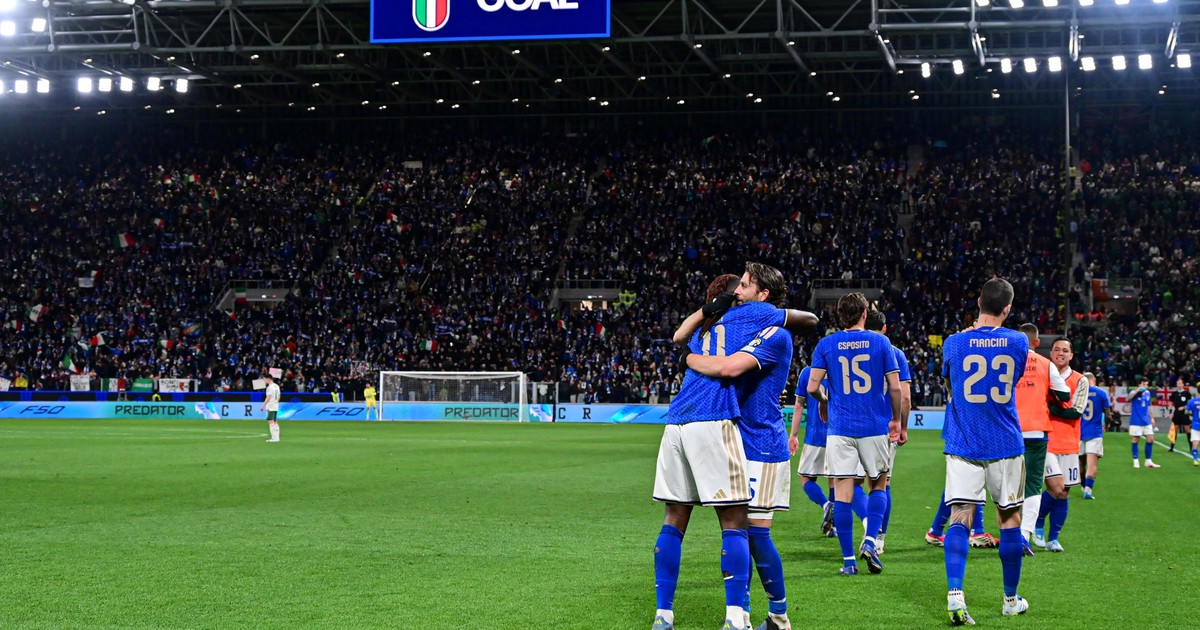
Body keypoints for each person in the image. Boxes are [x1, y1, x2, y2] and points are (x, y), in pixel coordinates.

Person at [652, 264, 816, 630]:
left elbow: (728, 367)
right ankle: (739, 614)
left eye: (744, 285)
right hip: (730, 435)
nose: (737, 292)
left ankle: (778, 614)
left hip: (762, 444)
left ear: (763, 295)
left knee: (755, 534)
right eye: (736, 286)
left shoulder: (775, 334)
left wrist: (688, 358)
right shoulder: (729, 327)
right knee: (736, 528)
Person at [939, 278, 1030, 625]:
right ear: (1007, 309)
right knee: (1009, 520)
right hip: (1005, 443)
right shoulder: (1018, 341)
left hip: (963, 442)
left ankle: (955, 596)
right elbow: (1014, 378)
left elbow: (949, 384)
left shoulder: (954, 342)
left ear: (978, 302)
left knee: (960, 517)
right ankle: (1010, 600)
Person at [805, 292, 901, 576]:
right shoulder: (881, 342)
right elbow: (895, 387)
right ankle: (870, 540)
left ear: (840, 316)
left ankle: (848, 561)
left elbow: (812, 387)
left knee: (843, 493)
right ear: (864, 314)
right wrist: (896, 419)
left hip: (839, 429)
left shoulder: (826, 344)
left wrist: (824, 401)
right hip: (874, 426)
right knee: (878, 485)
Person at [1013, 323, 1070, 551]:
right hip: (1036, 431)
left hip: (1009, 430)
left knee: (1009, 485)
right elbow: (1064, 394)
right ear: (1037, 342)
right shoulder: (1046, 364)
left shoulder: (1007, 360)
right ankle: (1024, 535)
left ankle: (1008, 532)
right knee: (1033, 486)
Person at [1032, 338, 1088, 552]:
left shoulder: (1080, 380)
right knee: (1055, 488)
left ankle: (1053, 539)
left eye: (1065, 350)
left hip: (1070, 442)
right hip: (1045, 440)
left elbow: (1075, 412)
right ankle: (1037, 521)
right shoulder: (1042, 374)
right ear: (1051, 353)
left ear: (1071, 355)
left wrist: (1047, 408)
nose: (1060, 353)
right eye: (1056, 349)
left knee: (1063, 493)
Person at [862, 310, 911, 554]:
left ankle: (860, 533)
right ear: (884, 329)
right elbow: (905, 396)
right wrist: (902, 426)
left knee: (849, 484)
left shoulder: (850, 348)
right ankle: (878, 536)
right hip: (883, 426)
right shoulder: (895, 353)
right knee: (882, 483)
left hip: (851, 425)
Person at [1080, 372, 1112, 499]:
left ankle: (1083, 486)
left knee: (1080, 464)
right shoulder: (1101, 393)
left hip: (1078, 432)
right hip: (1094, 432)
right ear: (1094, 380)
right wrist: (1106, 424)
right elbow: (1108, 413)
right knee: (1092, 464)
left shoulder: (1077, 392)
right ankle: (1088, 490)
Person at [1128, 379, 1160, 468]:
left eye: (1147, 384)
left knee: (1151, 439)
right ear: (1139, 384)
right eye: (1144, 384)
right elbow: (1128, 398)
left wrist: (1152, 418)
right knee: (1135, 439)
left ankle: (1148, 461)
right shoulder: (1133, 392)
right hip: (1136, 420)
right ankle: (1135, 460)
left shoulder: (1148, 393)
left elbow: (1149, 406)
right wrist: (1138, 390)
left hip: (1146, 420)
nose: (1146, 386)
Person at [1169, 378, 1191, 453]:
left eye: (1180, 383)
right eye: (1177, 383)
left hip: (1184, 413)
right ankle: (1171, 447)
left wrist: (1183, 407)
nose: (1179, 385)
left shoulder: (1187, 393)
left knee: (1187, 430)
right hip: (1177, 413)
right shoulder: (1174, 393)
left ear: (1183, 384)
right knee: (1175, 430)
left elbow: (1190, 403)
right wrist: (1170, 412)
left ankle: (1191, 447)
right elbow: (1170, 403)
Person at [261, 373, 281, 443]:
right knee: (275, 421)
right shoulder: (277, 386)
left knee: (271, 421)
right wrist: (276, 402)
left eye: (265, 379)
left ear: (268, 379)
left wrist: (263, 405)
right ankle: (276, 437)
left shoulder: (269, 387)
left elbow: (268, 397)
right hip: (275, 405)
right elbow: (279, 396)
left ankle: (274, 438)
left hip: (271, 405)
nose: (264, 381)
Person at [1187, 387, 1200, 466]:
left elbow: (1186, 411)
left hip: (1195, 424)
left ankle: (1195, 459)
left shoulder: (1192, 401)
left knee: (1195, 442)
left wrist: (1192, 413)